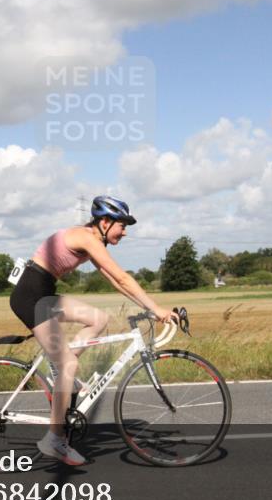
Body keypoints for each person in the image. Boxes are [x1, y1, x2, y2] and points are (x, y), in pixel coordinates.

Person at [9, 195, 175, 466]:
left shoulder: (91, 241)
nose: (125, 232)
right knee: (69, 367)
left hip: (43, 293)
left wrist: (148, 305)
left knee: (98, 319)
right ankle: (54, 439)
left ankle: (63, 374)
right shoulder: (87, 238)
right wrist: (157, 309)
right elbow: (122, 276)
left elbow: (115, 281)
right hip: (31, 298)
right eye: (122, 225)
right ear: (105, 222)